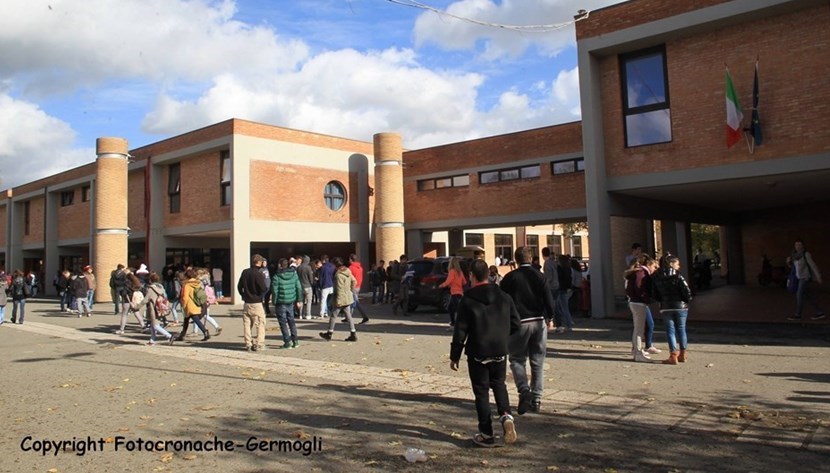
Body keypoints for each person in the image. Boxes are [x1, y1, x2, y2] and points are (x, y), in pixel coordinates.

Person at [450, 259, 522, 447]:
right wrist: (503, 337)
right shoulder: (503, 296)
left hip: (478, 350)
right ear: (488, 275)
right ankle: (506, 415)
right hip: (499, 348)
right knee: (499, 384)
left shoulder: (468, 299)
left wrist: (455, 355)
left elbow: (460, 330)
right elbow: (516, 324)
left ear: (472, 276)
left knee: (481, 392)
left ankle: (486, 433)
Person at [499, 247, 556, 415]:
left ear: (516, 259)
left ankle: (524, 390)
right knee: (538, 361)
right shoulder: (540, 276)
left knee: (517, 359)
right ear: (531, 258)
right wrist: (550, 317)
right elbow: (549, 299)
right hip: (538, 321)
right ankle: (537, 399)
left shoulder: (509, 278)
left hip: (518, 322)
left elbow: (502, 301)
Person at [653, 255, 692, 364]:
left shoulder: (656, 276)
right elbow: (687, 291)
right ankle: (683, 354)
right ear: (671, 264)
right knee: (681, 329)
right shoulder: (678, 276)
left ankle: (673, 355)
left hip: (665, 306)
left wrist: (661, 300)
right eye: (677, 263)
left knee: (670, 331)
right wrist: (686, 300)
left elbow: (654, 292)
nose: (679, 266)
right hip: (680, 306)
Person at [625, 255, 659, 362]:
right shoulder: (642, 273)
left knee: (638, 329)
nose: (654, 269)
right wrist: (646, 299)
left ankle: (637, 351)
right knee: (639, 330)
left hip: (636, 302)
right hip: (638, 303)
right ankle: (638, 353)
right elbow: (639, 288)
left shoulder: (639, 272)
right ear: (648, 265)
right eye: (654, 266)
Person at [319, 257, 358, 342]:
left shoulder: (338, 275)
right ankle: (353, 333)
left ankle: (329, 333)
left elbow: (339, 289)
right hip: (347, 297)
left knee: (333, 316)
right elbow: (354, 281)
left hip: (340, 298)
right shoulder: (348, 271)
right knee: (349, 316)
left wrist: (338, 301)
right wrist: (350, 290)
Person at [786, 240, 825, 320]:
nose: (798, 246)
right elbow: (794, 268)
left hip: (805, 277)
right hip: (798, 277)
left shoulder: (806, 254)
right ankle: (819, 312)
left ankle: (798, 314)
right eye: (796, 245)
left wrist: (818, 276)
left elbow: (813, 265)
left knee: (799, 294)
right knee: (806, 295)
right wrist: (788, 262)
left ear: (803, 246)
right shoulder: (794, 255)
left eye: (800, 245)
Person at [237, 254, 269, 351]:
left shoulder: (245, 272)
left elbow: (239, 286)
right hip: (256, 302)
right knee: (260, 323)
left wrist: (243, 295)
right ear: (259, 262)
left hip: (247, 302)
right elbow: (263, 288)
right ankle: (259, 343)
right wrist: (260, 295)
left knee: (247, 324)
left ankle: (248, 343)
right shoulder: (258, 273)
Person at [135, 272, 175, 345]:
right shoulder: (161, 287)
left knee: (155, 325)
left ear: (150, 280)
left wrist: (137, 307)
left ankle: (169, 336)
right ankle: (152, 340)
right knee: (154, 325)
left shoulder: (151, 289)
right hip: (160, 308)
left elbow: (145, 300)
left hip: (153, 309)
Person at [272, 258, 302, 349]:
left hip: (281, 302)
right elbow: (298, 287)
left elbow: (275, 291)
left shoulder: (276, 276)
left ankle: (287, 341)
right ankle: (295, 340)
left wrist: (274, 301)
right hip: (290, 301)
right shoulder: (294, 275)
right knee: (291, 321)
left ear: (280, 265)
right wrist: (299, 299)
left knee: (283, 322)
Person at [439, 257, 468, 327]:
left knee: (454, 309)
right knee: (452, 308)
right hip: (459, 292)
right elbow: (464, 282)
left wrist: (442, 285)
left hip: (455, 293)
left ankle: (456, 323)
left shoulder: (452, 271)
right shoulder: (460, 272)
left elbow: (449, 280)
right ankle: (454, 322)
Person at [348, 254, 369, 324]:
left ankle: (364, 317)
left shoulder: (351, 268)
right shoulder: (360, 268)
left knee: (355, 302)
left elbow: (349, 278)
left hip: (353, 286)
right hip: (358, 286)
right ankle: (348, 316)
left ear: (351, 259)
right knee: (353, 301)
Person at [297, 255, 314, 320]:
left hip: (300, 286)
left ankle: (300, 314)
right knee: (309, 301)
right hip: (308, 286)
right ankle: (308, 314)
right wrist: (312, 283)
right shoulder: (308, 267)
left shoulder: (298, 267)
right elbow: (310, 277)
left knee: (301, 301)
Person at [318, 255, 336, 319]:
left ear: (323, 260)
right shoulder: (333, 267)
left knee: (323, 300)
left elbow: (321, 278)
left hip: (325, 286)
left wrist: (320, 286)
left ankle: (322, 314)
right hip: (332, 285)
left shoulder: (323, 268)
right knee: (330, 300)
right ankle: (328, 311)